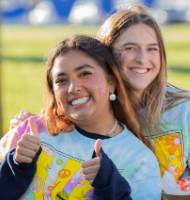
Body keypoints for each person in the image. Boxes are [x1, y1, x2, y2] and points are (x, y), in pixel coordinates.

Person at [0, 35, 161, 199]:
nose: (73, 88)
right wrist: (16, 168)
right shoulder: (31, 131)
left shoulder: (139, 160)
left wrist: (110, 187)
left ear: (111, 82)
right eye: (61, 80)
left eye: (85, 73)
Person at [96, 4, 190, 193]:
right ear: (107, 55)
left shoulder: (187, 112)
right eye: (130, 48)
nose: (142, 59)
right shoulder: (93, 114)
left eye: (152, 49)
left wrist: (173, 189)